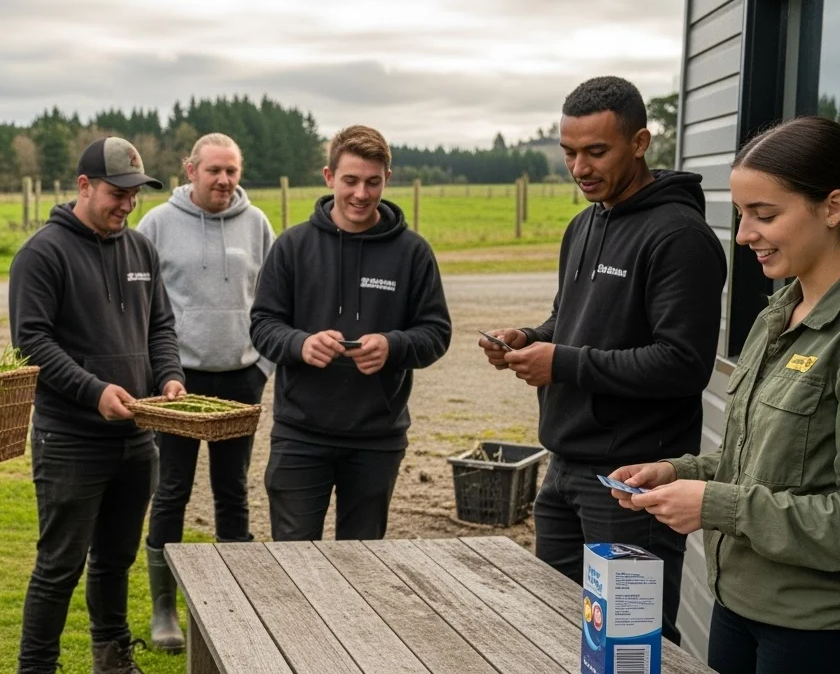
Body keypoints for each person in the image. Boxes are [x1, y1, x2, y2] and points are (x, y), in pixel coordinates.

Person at [478, 76, 726, 644]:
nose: (579, 167)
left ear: (640, 142)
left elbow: (683, 364)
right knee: (554, 633)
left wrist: (561, 362)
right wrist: (526, 337)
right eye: (569, 152)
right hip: (564, 465)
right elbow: (569, 322)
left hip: (631, 480)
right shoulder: (584, 223)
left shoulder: (679, 237)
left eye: (596, 151)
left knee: (627, 644)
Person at [610, 115, 840, 674]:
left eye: (765, 215)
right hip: (736, 606)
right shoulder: (775, 314)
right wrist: (677, 471)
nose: (743, 236)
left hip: (814, 632)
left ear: (833, 206)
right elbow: (759, 458)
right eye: (741, 215)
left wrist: (715, 505)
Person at [9, 136, 184, 674]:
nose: (128, 204)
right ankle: (36, 666)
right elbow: (32, 343)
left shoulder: (141, 250)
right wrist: (94, 392)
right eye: (118, 192)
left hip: (136, 436)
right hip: (71, 440)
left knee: (116, 559)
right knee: (59, 565)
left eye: (135, 193)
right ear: (83, 186)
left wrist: (170, 376)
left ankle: (112, 659)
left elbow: (160, 327)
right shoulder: (43, 253)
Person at [250, 124, 450, 541]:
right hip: (300, 435)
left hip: (376, 439)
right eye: (351, 181)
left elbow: (436, 332)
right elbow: (263, 325)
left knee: (362, 568)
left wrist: (393, 347)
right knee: (292, 563)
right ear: (329, 177)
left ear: (387, 180)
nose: (361, 193)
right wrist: (300, 343)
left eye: (372, 182)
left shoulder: (412, 253)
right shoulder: (292, 246)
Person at [134, 132, 275, 652]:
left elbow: (273, 301)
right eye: (213, 170)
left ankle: (230, 604)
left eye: (232, 171)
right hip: (178, 383)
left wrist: (261, 367)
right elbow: (145, 307)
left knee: (233, 491)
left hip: (240, 380)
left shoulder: (257, 224)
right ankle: (164, 609)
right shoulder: (156, 224)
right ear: (189, 169)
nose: (223, 180)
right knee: (171, 491)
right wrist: (157, 371)